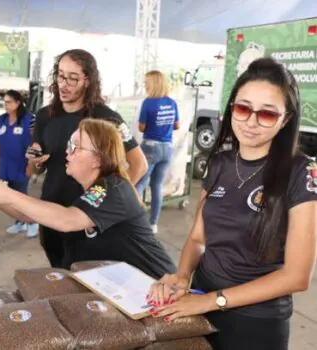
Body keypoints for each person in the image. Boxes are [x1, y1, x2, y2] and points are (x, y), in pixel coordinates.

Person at [148, 58, 317, 350]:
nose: (251, 121)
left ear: (285, 119)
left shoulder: (301, 173)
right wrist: (182, 276)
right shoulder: (219, 163)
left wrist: (211, 301)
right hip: (200, 302)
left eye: (266, 114)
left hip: (255, 323)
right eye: (243, 108)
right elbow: (199, 238)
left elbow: (297, 276)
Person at [0, 119, 175, 275]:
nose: (68, 152)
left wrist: (7, 193)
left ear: (97, 159)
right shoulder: (85, 189)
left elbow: (66, 220)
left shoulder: (113, 189)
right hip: (122, 285)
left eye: (76, 146)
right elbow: (31, 215)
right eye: (70, 144)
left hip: (153, 286)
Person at [28, 49, 148, 268]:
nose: (64, 84)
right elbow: (35, 171)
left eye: (72, 78)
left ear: (88, 81)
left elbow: (139, 163)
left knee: (88, 284)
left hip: (88, 221)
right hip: (52, 215)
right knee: (60, 276)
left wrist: (113, 203)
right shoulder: (45, 116)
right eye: (60, 75)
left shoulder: (105, 117)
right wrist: (34, 162)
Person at [135, 71, 180, 233]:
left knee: (139, 184)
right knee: (157, 186)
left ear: (153, 84)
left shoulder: (148, 103)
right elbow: (177, 125)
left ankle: (136, 222)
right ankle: (153, 224)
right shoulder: (172, 103)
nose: (145, 85)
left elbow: (141, 127)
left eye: (146, 82)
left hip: (150, 148)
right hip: (167, 149)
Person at [0, 90, 39, 238]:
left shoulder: (30, 119)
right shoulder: (1, 120)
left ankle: (33, 222)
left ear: (18, 103)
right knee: (11, 195)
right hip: (6, 165)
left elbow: (36, 143)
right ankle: (20, 222)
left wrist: (32, 165)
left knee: (21, 195)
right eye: (4, 102)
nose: (5, 105)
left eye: (9, 102)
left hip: (22, 164)